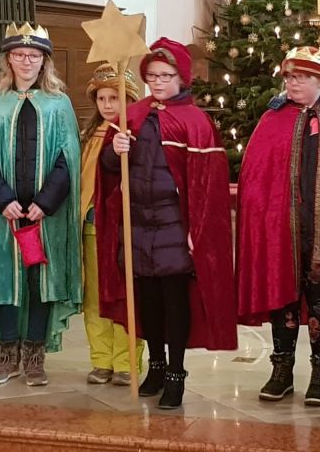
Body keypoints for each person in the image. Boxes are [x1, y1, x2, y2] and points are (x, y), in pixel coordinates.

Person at [95, 37, 237, 409]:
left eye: (166, 76)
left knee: (175, 302)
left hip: (174, 226)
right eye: (153, 75)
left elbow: (207, 185)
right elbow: (108, 171)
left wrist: (196, 231)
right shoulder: (132, 117)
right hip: (138, 224)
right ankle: (155, 366)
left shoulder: (196, 121)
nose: (158, 82)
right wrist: (114, 151)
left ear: (181, 78)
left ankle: (176, 373)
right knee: (148, 302)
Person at [236, 46, 320, 406]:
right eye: (289, 77)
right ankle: (282, 369)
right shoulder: (272, 120)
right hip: (283, 229)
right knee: (284, 298)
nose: (293, 83)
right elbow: (255, 175)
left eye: (302, 77)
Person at [0, 22, 82, 386]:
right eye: (19, 54)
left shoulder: (59, 104)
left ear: (44, 61)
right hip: (6, 213)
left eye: (34, 55)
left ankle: (34, 354)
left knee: (38, 281)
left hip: (45, 213)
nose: (27, 61)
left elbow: (67, 159)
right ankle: (7, 352)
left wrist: (46, 202)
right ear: (8, 59)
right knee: (5, 277)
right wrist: (3, 200)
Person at [80, 63, 145, 385]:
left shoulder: (137, 133)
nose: (107, 105)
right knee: (95, 296)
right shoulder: (90, 137)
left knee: (126, 295)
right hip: (93, 227)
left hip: (125, 230)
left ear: (129, 99)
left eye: (114, 98)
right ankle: (101, 359)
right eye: (101, 98)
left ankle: (126, 360)